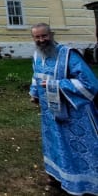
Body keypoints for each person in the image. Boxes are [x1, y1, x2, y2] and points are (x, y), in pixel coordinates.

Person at [29, 23, 98, 195]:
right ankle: (57, 176)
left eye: (44, 36)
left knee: (77, 149)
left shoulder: (68, 54)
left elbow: (90, 84)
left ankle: (84, 183)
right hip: (50, 113)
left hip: (74, 115)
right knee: (55, 145)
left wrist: (56, 85)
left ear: (51, 34)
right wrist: (34, 93)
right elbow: (36, 76)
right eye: (37, 37)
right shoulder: (37, 56)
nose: (41, 40)